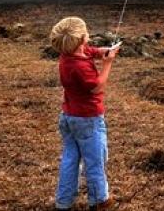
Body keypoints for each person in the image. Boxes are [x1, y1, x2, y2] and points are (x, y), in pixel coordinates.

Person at [49, 17, 119, 211]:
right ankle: (99, 201)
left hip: (69, 117)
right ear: (82, 38)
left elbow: (89, 51)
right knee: (95, 160)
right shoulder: (79, 67)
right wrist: (108, 64)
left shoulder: (68, 54)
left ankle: (63, 202)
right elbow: (96, 88)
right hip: (88, 120)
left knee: (70, 158)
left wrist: (103, 51)